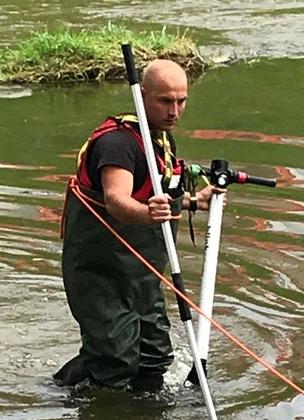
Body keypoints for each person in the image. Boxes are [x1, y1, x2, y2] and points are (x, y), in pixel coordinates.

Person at [53, 59, 221, 391]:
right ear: (142, 96)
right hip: (99, 271)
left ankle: (146, 417)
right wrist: (146, 215)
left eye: (181, 100)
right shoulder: (117, 143)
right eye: (165, 101)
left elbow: (155, 192)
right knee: (114, 360)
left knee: (153, 356)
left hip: (142, 274)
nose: (174, 110)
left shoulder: (162, 140)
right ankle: (66, 397)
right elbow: (118, 199)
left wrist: (191, 201)